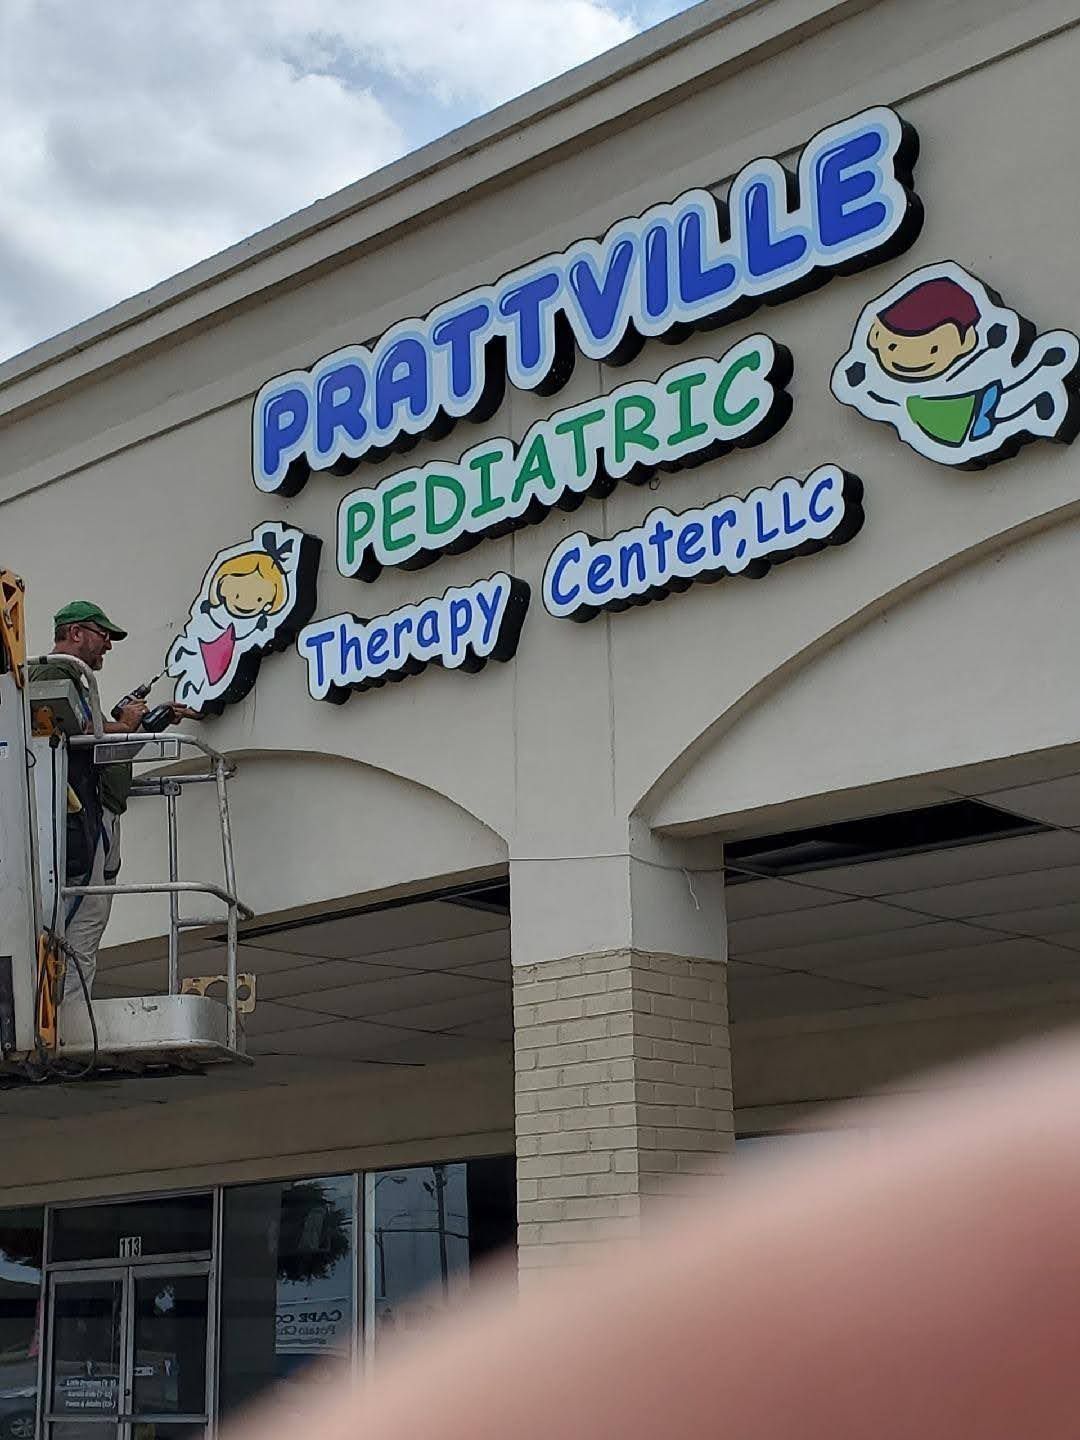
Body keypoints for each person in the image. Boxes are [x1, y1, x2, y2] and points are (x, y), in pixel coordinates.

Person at [30, 601, 150, 1006]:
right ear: (76, 633)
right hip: (78, 818)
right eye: (104, 635)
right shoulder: (54, 672)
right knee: (79, 920)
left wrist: (137, 726)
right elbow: (80, 731)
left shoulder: (74, 681)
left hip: (89, 815)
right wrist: (125, 724)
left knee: (85, 919)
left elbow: (92, 738)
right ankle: (67, 1015)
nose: (108, 646)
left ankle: (67, 1010)